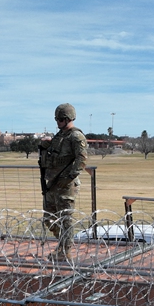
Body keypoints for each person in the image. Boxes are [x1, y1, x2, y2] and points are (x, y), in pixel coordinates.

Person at [38, 103, 89, 262]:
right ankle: (63, 244)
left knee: (65, 218)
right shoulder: (59, 136)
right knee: (49, 218)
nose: (57, 122)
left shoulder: (76, 136)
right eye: (56, 119)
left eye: (60, 119)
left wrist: (69, 177)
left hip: (66, 185)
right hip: (53, 183)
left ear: (67, 119)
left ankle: (65, 251)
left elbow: (81, 159)